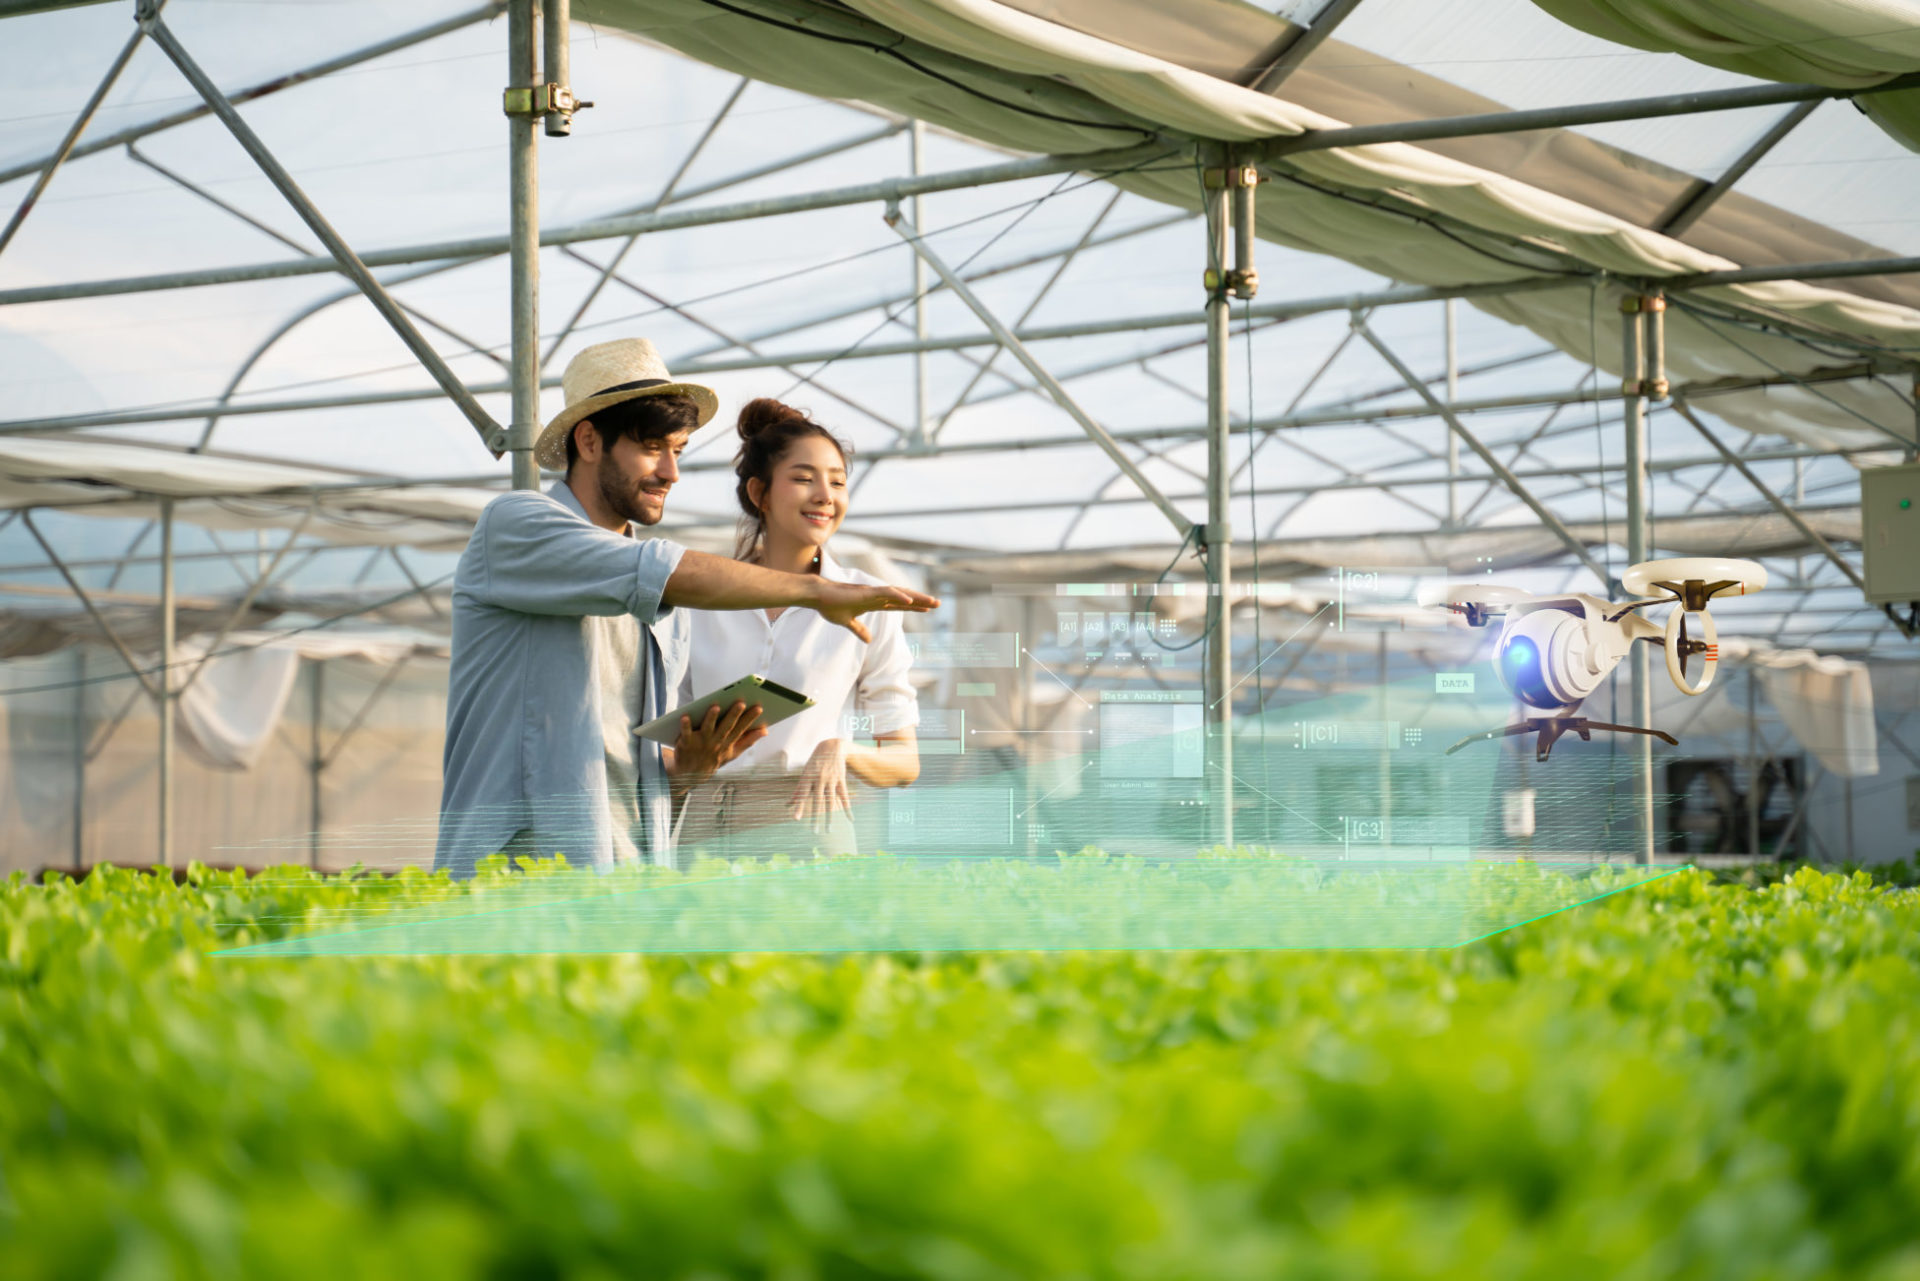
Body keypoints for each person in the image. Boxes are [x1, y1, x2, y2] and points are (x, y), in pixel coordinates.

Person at [433, 340, 937, 877]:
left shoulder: (665, 609)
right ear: (588, 440)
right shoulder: (518, 525)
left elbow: (637, 766)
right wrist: (814, 591)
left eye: (679, 450)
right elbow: (663, 569)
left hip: (622, 862)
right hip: (520, 858)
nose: (672, 472)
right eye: (653, 447)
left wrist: (692, 768)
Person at [676, 398, 920, 861]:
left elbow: (905, 762)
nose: (825, 495)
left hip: (806, 825)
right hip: (703, 824)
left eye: (838, 481)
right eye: (804, 479)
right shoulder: (700, 600)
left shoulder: (869, 600)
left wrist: (842, 751)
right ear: (759, 494)